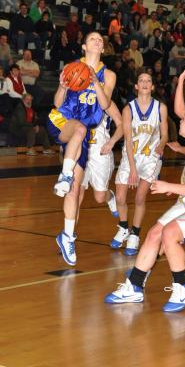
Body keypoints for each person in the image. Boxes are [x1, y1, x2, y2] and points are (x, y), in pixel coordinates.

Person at [105, 105, 185, 312]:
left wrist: (169, 187)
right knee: (155, 232)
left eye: (184, 120)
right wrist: (176, 189)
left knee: (170, 234)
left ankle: (182, 288)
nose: (180, 122)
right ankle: (134, 286)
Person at [48, 32, 116, 264]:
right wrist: (62, 87)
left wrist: (96, 83)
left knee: (75, 192)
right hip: (62, 121)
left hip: (83, 134)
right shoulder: (71, 67)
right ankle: (65, 175)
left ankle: (67, 236)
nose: (98, 41)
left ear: (103, 49)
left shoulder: (108, 75)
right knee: (78, 129)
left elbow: (105, 104)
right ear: (85, 45)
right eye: (93, 39)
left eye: (101, 40)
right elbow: (58, 102)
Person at [110, 72, 168, 256]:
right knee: (120, 198)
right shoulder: (128, 109)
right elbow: (127, 141)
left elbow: (165, 134)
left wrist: (161, 144)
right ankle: (123, 227)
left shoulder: (161, 108)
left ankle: (134, 234)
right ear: (136, 86)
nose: (144, 83)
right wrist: (133, 169)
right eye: (141, 80)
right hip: (131, 157)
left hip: (150, 159)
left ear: (152, 87)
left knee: (139, 198)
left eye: (148, 81)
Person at [79, 101, 123, 220]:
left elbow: (122, 125)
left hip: (100, 153)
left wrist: (111, 142)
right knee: (76, 193)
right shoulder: (77, 98)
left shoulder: (106, 101)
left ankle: (110, 197)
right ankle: (69, 232)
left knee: (100, 198)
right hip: (81, 152)